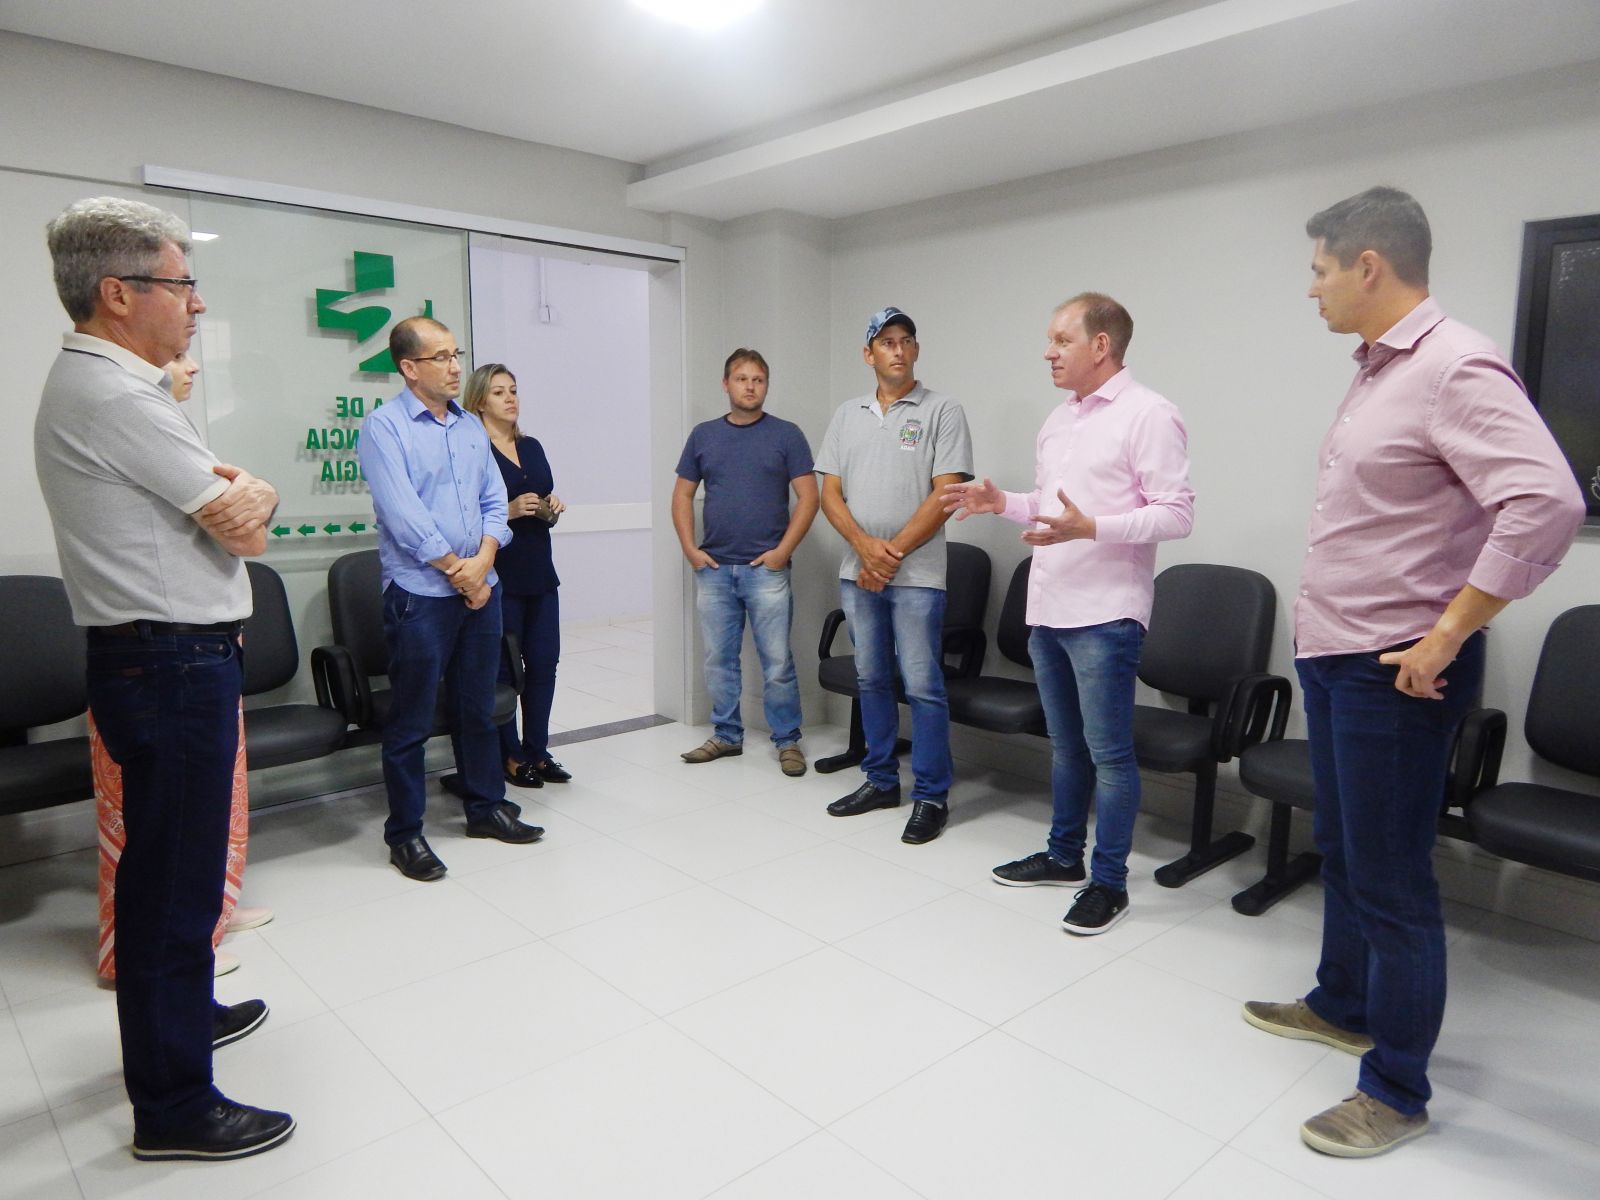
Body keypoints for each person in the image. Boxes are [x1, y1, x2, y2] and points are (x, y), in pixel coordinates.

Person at [1243, 186, 1585, 1158]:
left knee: (1393, 879)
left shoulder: (1452, 365)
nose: (1310, 288)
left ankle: (1395, 1089)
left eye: (1318, 269)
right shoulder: (1377, 372)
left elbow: (1547, 502)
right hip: (1336, 652)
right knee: (1346, 851)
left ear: (1368, 265)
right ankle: (1342, 1005)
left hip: (1392, 671)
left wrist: (1448, 634)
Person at [34, 196, 293, 1161]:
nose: (197, 303)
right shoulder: (118, 397)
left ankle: (180, 1021)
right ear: (118, 293)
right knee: (174, 885)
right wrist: (249, 491)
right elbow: (248, 527)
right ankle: (176, 1106)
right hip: (169, 658)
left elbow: (231, 514)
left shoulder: (119, 389)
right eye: (182, 284)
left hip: (165, 656)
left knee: (169, 872)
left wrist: (235, 496)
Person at [943, 293, 1194, 934]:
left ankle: (1109, 883)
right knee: (1066, 747)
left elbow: (1176, 513)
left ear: (1101, 345)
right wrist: (1001, 502)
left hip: (1106, 615)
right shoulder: (1059, 420)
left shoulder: (1149, 414)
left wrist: (1094, 527)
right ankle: (1063, 857)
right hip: (1048, 609)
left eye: (1061, 340)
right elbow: (1050, 507)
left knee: (1110, 756)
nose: (1048, 352)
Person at [93, 351, 273, 986]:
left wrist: (253, 502)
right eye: (175, 356)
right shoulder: (130, 410)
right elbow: (248, 535)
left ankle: (207, 926)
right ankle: (142, 967)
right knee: (153, 836)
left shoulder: (170, 426)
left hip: (192, 648)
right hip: (160, 654)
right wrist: (264, 494)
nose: (191, 364)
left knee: (199, 824)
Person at [358, 317, 541, 883]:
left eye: (456, 353)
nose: (455, 366)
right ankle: (405, 834)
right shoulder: (384, 428)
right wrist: (459, 571)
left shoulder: (468, 427)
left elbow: (494, 500)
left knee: (477, 708)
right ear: (409, 368)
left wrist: (483, 561)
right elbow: (402, 513)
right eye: (440, 357)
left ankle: (485, 808)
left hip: (482, 586)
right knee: (411, 719)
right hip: (421, 595)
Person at [814, 307, 973, 844]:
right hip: (858, 573)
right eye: (886, 342)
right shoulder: (847, 414)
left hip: (918, 576)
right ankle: (881, 780)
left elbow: (946, 494)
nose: (898, 350)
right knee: (872, 679)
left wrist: (891, 555)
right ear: (869, 354)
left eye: (906, 340)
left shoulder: (942, 410)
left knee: (924, 686)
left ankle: (931, 795)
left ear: (916, 350)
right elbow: (829, 493)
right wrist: (865, 550)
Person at [673, 348, 818, 776]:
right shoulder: (703, 435)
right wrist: (691, 549)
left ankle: (787, 741)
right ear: (726, 384)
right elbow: (681, 496)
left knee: (777, 663)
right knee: (719, 660)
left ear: (766, 385)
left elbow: (809, 498)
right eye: (741, 379)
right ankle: (726, 735)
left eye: (758, 380)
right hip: (715, 570)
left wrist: (782, 553)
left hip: (766, 571)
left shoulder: (787, 435)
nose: (750, 387)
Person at [461, 363, 572, 789]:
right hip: (499, 574)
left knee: (544, 663)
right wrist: (507, 511)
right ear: (479, 402)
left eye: (513, 390)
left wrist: (551, 504)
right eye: (499, 392)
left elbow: (541, 496)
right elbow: (462, 516)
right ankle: (509, 755)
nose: (510, 398)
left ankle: (537, 751)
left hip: (540, 570)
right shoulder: (472, 451)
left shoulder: (532, 446)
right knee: (505, 670)